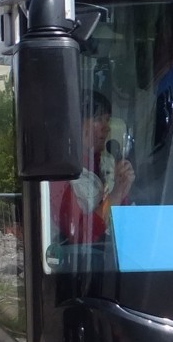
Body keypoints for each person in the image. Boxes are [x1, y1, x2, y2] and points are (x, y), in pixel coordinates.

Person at [50, 90, 134, 243]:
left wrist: (124, 187)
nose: (106, 127)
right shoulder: (60, 175)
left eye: (107, 120)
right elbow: (80, 234)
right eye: (98, 119)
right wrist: (117, 193)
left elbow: (124, 221)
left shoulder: (108, 164)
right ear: (75, 124)